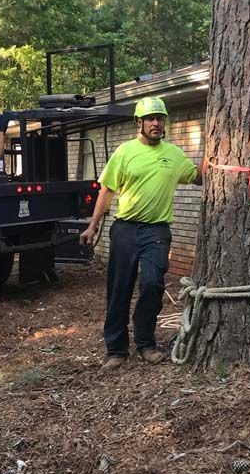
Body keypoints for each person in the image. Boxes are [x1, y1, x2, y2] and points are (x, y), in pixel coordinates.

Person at [79, 96, 203, 370]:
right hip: (125, 230)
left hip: (157, 231)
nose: (156, 123)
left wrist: (219, 152)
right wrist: (93, 224)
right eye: (150, 119)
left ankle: (146, 343)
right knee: (119, 289)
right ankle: (116, 348)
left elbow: (198, 176)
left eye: (160, 118)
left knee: (152, 285)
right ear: (140, 123)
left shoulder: (173, 154)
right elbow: (107, 189)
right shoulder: (125, 152)